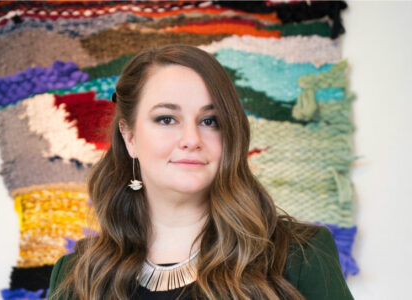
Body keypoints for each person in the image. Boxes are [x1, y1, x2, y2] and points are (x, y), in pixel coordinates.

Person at [47, 44, 353, 300]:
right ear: (129, 137)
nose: (192, 140)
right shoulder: (76, 278)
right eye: (166, 119)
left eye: (210, 121)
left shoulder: (302, 255)